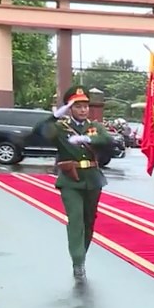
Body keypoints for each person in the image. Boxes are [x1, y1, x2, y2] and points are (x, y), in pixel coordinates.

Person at [36, 86, 113, 281]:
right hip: (70, 180)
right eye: (78, 106)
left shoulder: (95, 126)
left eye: (85, 106)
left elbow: (107, 139)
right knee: (76, 219)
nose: (83, 110)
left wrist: (87, 138)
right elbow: (39, 131)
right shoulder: (61, 128)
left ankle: (81, 254)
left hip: (93, 179)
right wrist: (54, 116)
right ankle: (78, 261)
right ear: (69, 108)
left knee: (89, 221)